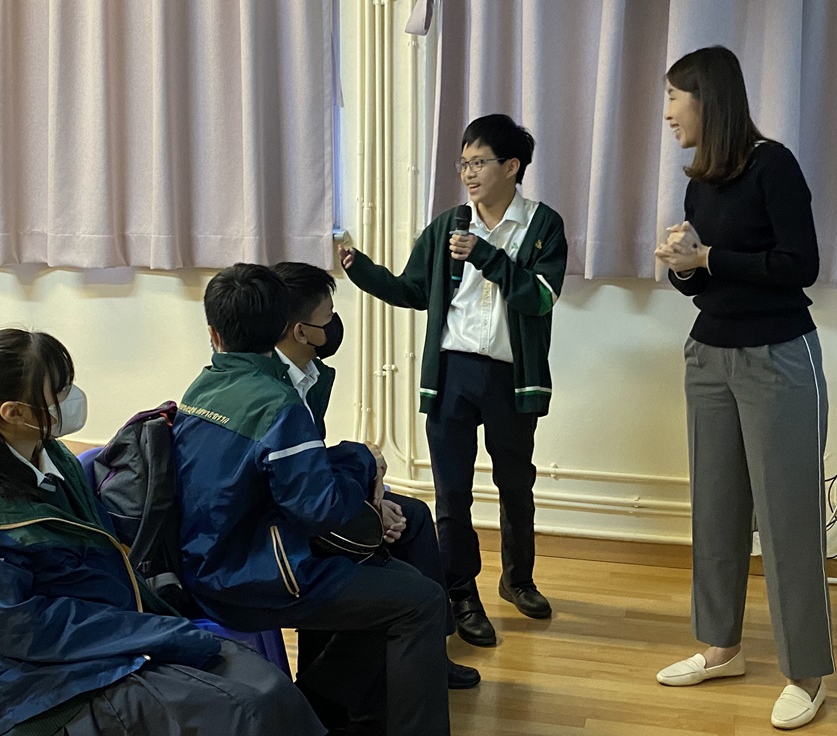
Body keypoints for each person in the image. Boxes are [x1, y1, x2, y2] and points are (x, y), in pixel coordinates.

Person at [0, 329, 322, 736]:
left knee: (263, 684)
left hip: (99, 636)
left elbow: (103, 561)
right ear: (13, 413)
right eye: (59, 391)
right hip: (33, 684)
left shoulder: (50, 453)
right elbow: (20, 629)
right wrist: (154, 634)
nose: (71, 398)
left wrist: (157, 626)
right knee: (247, 709)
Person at [172, 263, 450, 736]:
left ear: (214, 333)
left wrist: (360, 478)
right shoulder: (276, 403)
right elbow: (320, 509)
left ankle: (323, 707)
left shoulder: (205, 385)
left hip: (212, 559)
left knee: (396, 578)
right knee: (419, 599)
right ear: (287, 328)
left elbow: (294, 484)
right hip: (251, 576)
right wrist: (363, 462)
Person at [339, 114, 568, 648]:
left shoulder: (542, 225)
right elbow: (413, 290)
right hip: (452, 373)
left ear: (511, 167)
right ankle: (461, 593)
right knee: (452, 492)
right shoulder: (447, 225)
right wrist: (360, 269)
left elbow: (539, 298)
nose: (467, 173)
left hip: (513, 377)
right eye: (462, 163)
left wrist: (485, 256)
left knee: (516, 483)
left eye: (478, 162)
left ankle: (518, 580)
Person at [654, 46, 832, 730]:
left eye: (675, 97)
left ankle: (807, 673)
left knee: (787, 520)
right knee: (716, 509)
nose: (668, 112)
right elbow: (702, 279)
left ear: (709, 98)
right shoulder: (701, 181)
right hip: (709, 354)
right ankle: (721, 648)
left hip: (777, 355)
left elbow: (799, 264)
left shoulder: (773, 165)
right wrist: (684, 265)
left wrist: (709, 256)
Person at [271, 261, 481, 696]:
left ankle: (430, 654)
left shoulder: (308, 374)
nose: (335, 324)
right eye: (329, 316)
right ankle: (343, 689)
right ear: (302, 331)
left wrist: (372, 492)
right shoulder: (271, 387)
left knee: (414, 515)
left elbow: (311, 462)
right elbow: (296, 485)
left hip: (315, 499)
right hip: (291, 528)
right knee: (394, 530)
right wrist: (368, 500)